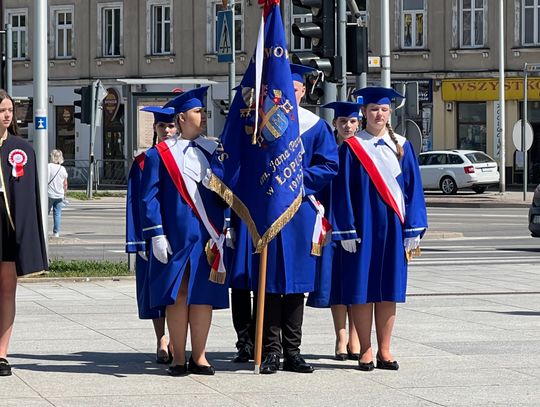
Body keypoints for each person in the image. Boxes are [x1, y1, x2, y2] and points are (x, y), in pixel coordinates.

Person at [228, 64, 339, 374]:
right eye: (284, 88)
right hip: (268, 212)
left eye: (297, 88)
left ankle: (293, 351)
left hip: (300, 212)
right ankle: (270, 351)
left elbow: (329, 165)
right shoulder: (263, 125)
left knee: (296, 285)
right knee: (270, 282)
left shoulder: (315, 126)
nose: (291, 92)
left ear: (303, 92)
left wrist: (297, 181)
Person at [331, 86, 428, 371]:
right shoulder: (351, 148)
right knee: (362, 288)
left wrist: (414, 226)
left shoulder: (402, 147)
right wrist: (345, 228)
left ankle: (385, 349)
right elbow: (343, 191)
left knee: (388, 289)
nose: (379, 114)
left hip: (393, 227)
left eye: (384, 110)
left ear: (390, 113)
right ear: (363, 112)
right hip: (362, 227)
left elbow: (413, 189)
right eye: (374, 109)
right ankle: (365, 349)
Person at [140, 87, 229, 376]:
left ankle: (199, 356)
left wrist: (227, 224)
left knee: (202, 294)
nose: (202, 116)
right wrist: (156, 233)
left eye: (203, 111)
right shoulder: (160, 154)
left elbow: (226, 192)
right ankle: (179, 357)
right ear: (181, 118)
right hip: (175, 235)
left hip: (207, 235)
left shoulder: (214, 151)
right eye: (197, 111)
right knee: (178, 293)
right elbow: (149, 197)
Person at [306, 101, 365, 361]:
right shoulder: (329, 152)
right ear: (335, 125)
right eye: (343, 122)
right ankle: (341, 336)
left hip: (357, 226)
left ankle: (355, 337)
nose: (348, 126)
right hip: (330, 225)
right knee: (335, 283)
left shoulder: (364, 151)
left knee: (355, 282)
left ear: (358, 124)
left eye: (352, 122)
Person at [0, 89, 48, 377]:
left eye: (9, 110)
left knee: (7, 288)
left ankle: (2, 353)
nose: (7, 115)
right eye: (2, 110)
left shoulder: (20, 149)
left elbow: (28, 197)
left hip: (8, 225)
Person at [125, 105, 176, 364]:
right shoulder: (144, 161)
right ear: (155, 129)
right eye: (161, 126)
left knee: (179, 290)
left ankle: (179, 340)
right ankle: (161, 339)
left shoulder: (186, 156)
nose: (167, 131)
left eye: (171, 126)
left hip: (180, 234)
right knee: (156, 289)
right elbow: (135, 202)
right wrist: (137, 240)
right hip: (152, 234)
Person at [47, 149, 69, 238]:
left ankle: (43, 230)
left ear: (52, 157)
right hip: (60, 194)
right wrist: (65, 193)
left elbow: (45, 179)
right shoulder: (62, 168)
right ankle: (56, 233)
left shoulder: (48, 166)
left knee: (45, 213)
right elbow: (65, 183)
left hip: (49, 193)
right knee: (57, 214)